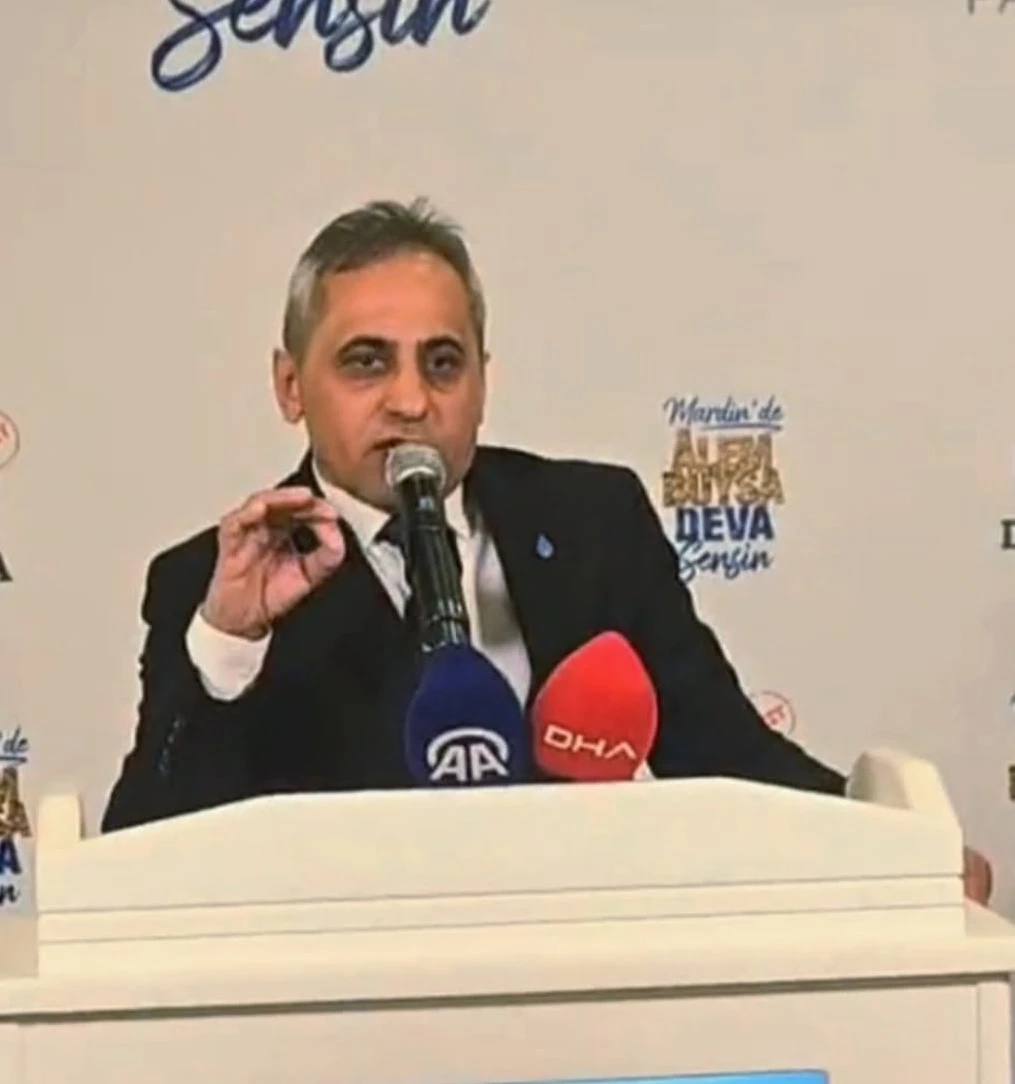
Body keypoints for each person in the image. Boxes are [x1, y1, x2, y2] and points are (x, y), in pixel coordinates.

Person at [98, 198, 990, 904]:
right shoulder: (214, 581)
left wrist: (893, 853)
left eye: (442, 363)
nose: (410, 401)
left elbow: (720, 750)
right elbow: (142, 852)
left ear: (483, 380)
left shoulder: (593, 521)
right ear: (291, 385)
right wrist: (227, 644)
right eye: (366, 362)